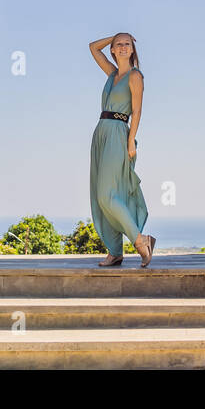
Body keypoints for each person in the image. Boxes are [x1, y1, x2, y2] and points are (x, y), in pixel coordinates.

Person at [87, 32, 155, 267]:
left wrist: (130, 141)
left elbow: (137, 112)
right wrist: (112, 36)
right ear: (113, 50)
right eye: (119, 45)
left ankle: (140, 240)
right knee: (99, 196)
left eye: (127, 44)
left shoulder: (135, 76)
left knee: (108, 195)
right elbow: (93, 47)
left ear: (133, 50)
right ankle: (115, 250)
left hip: (118, 133)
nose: (123, 47)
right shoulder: (113, 74)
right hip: (100, 133)